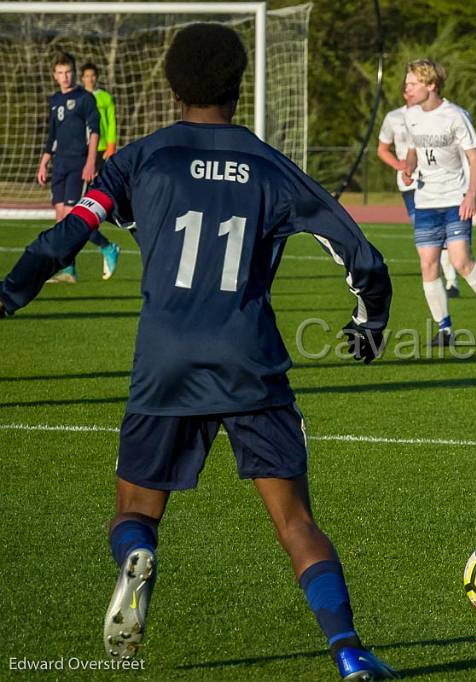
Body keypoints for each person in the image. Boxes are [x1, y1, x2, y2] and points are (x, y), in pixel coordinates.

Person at [1, 24, 397, 680]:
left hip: (164, 360)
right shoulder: (271, 165)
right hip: (249, 360)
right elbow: (363, 256)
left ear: (170, 84)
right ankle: (350, 653)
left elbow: (68, 233)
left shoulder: (140, 159)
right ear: (241, 87)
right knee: (296, 522)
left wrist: (12, 292)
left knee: (133, 512)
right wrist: (368, 321)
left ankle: (137, 557)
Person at [401, 59, 476, 348]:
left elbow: (474, 157)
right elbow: (413, 150)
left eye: (412, 84)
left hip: (454, 199)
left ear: (431, 85)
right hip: (424, 200)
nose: (405, 89)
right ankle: (444, 329)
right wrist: (408, 166)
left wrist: (472, 195)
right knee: (428, 264)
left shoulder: (456, 115)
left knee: (460, 262)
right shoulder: (410, 116)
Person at [37, 52, 120, 283]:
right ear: (54, 75)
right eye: (60, 73)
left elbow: (95, 132)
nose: (65, 77)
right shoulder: (54, 100)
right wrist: (44, 162)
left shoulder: (85, 98)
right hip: (60, 164)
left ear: (75, 73)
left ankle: (107, 246)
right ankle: (69, 269)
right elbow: (52, 135)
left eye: (68, 72)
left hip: (78, 163)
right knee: (60, 219)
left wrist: (91, 161)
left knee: (72, 217)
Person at [377, 92, 460, 298]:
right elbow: (382, 149)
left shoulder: (440, 114)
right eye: (407, 86)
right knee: (427, 233)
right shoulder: (393, 117)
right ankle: (438, 279)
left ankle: (451, 282)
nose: (410, 90)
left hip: (437, 181)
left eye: (414, 84)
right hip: (409, 184)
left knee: (443, 232)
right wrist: (400, 166)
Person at [80, 63, 117, 171]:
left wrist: (111, 144)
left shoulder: (105, 97)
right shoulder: (78, 97)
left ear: (96, 77)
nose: (90, 79)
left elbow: (111, 122)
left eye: (92, 76)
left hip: (101, 146)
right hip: (81, 147)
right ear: (82, 78)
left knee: (98, 181)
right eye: (87, 76)